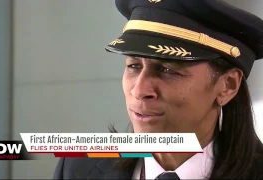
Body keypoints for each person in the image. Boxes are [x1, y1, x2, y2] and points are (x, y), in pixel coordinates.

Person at [53, 0, 263, 179]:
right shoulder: (78, 167)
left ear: (228, 85)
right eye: (134, 66)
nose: (140, 90)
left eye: (167, 69)